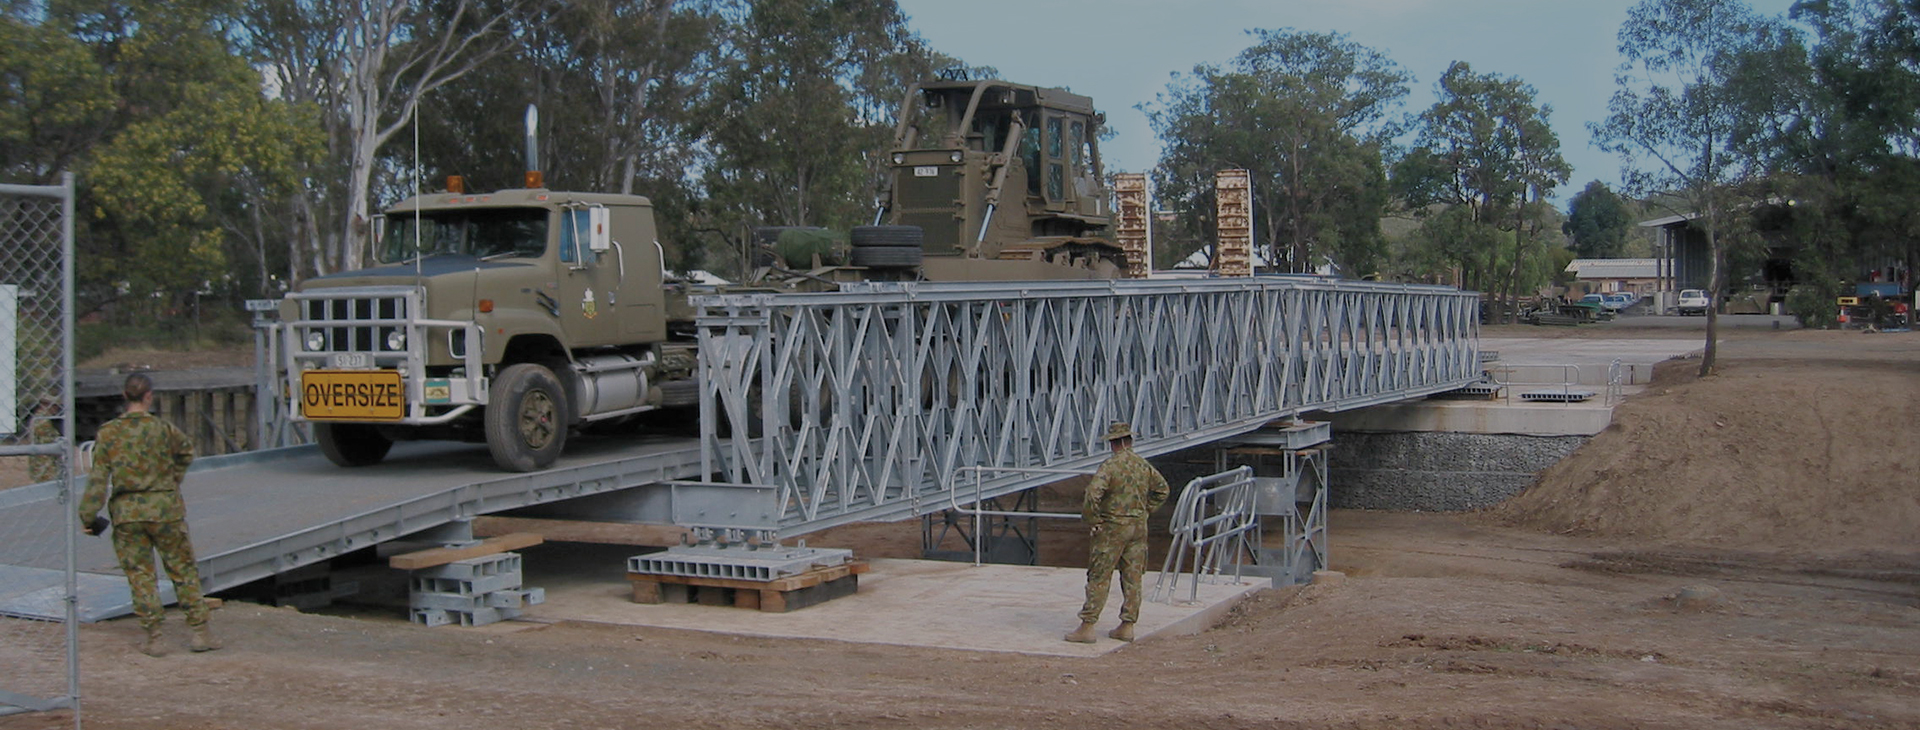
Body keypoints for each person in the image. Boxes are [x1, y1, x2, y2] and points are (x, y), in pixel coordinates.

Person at [77, 373, 219, 656]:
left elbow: (98, 478)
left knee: (140, 575)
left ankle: (155, 637)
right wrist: (172, 481)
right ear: (149, 396)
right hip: (165, 509)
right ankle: (200, 632)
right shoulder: (163, 429)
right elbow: (186, 452)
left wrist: (88, 515)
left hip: (128, 513)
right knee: (183, 570)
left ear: (124, 395)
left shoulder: (108, 433)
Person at [1066, 421, 1169, 644]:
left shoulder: (1110, 466)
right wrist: (1146, 510)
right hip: (1138, 527)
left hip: (1113, 528)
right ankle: (1127, 625)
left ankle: (1088, 626)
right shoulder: (1143, 465)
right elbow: (1163, 489)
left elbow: (1093, 494)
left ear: (1113, 443)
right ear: (1130, 441)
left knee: (1100, 575)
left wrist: (1093, 519)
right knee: (1133, 576)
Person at [28, 396, 60, 484]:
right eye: (54, 406)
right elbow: (47, 440)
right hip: (45, 463)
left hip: (42, 461)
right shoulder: (42, 420)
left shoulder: (39, 418)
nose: (56, 409)